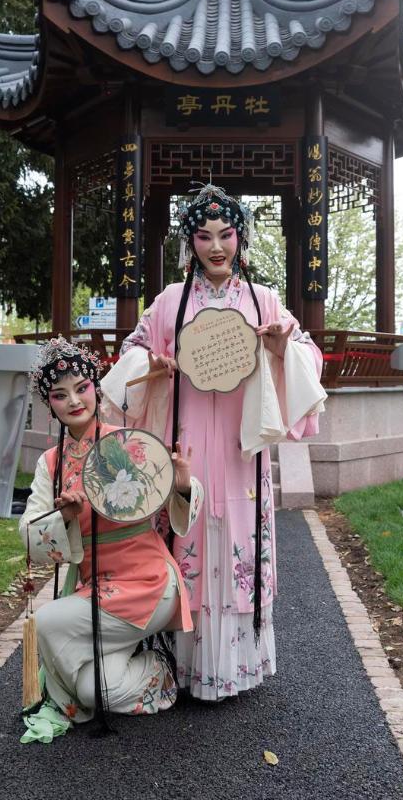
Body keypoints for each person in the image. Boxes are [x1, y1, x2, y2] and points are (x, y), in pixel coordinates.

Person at [101, 185, 326, 702]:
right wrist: (151, 365)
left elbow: (308, 357)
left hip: (240, 444)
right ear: (191, 242)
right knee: (189, 530)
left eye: (226, 234)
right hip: (187, 439)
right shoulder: (170, 301)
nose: (217, 247)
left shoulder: (263, 299)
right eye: (204, 236)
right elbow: (132, 350)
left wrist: (281, 348)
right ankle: (181, 661)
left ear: (241, 238)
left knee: (240, 533)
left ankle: (237, 666)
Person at [19, 336, 204, 742]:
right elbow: (30, 534)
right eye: (60, 394)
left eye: (81, 388)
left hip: (149, 580)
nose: (74, 401)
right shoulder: (49, 464)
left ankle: (128, 660)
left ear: (96, 388)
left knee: (48, 622)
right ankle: (156, 673)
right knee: (93, 690)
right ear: (49, 404)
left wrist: (182, 484)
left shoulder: (128, 442)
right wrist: (64, 517)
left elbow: (177, 508)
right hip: (96, 586)